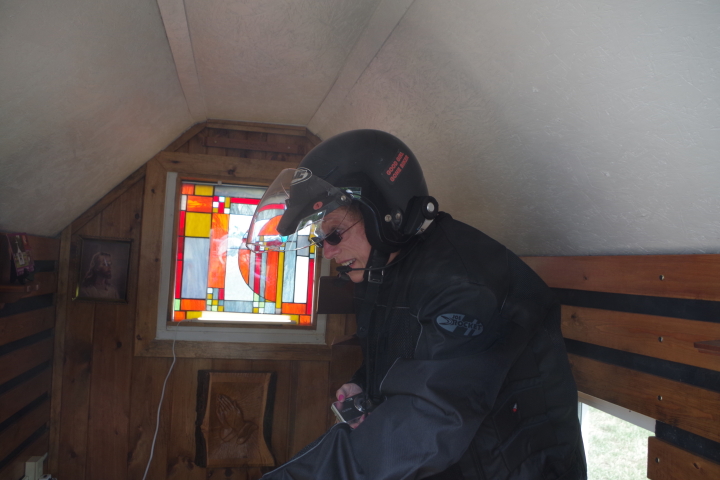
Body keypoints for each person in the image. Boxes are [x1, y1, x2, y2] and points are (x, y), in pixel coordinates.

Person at [246, 130, 587, 479]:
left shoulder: (466, 287)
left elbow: (424, 428)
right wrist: (363, 385)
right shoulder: (386, 272)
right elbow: (407, 361)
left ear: (382, 212)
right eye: (321, 240)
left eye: (334, 233)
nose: (328, 252)